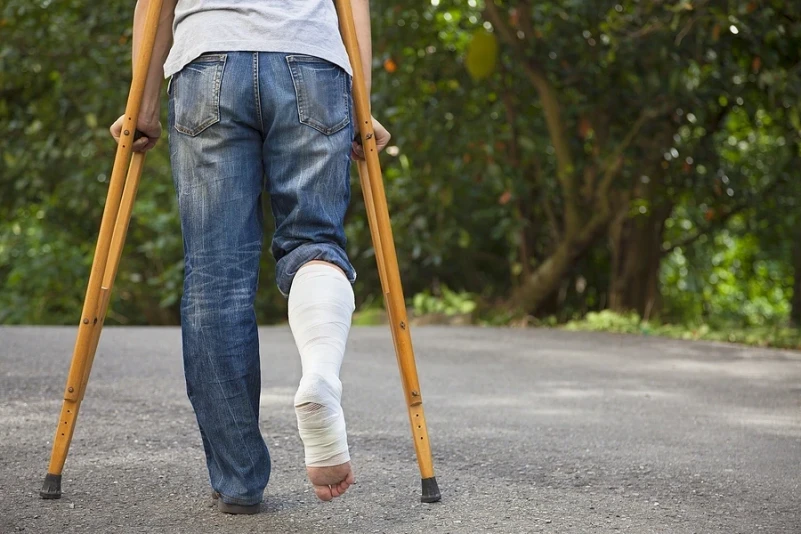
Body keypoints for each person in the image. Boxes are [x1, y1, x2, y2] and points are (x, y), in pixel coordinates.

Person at [110, 0, 391, 514]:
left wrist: (143, 105)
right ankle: (322, 373)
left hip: (206, 61)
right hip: (312, 62)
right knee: (314, 242)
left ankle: (239, 481)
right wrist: (362, 108)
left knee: (218, 273)